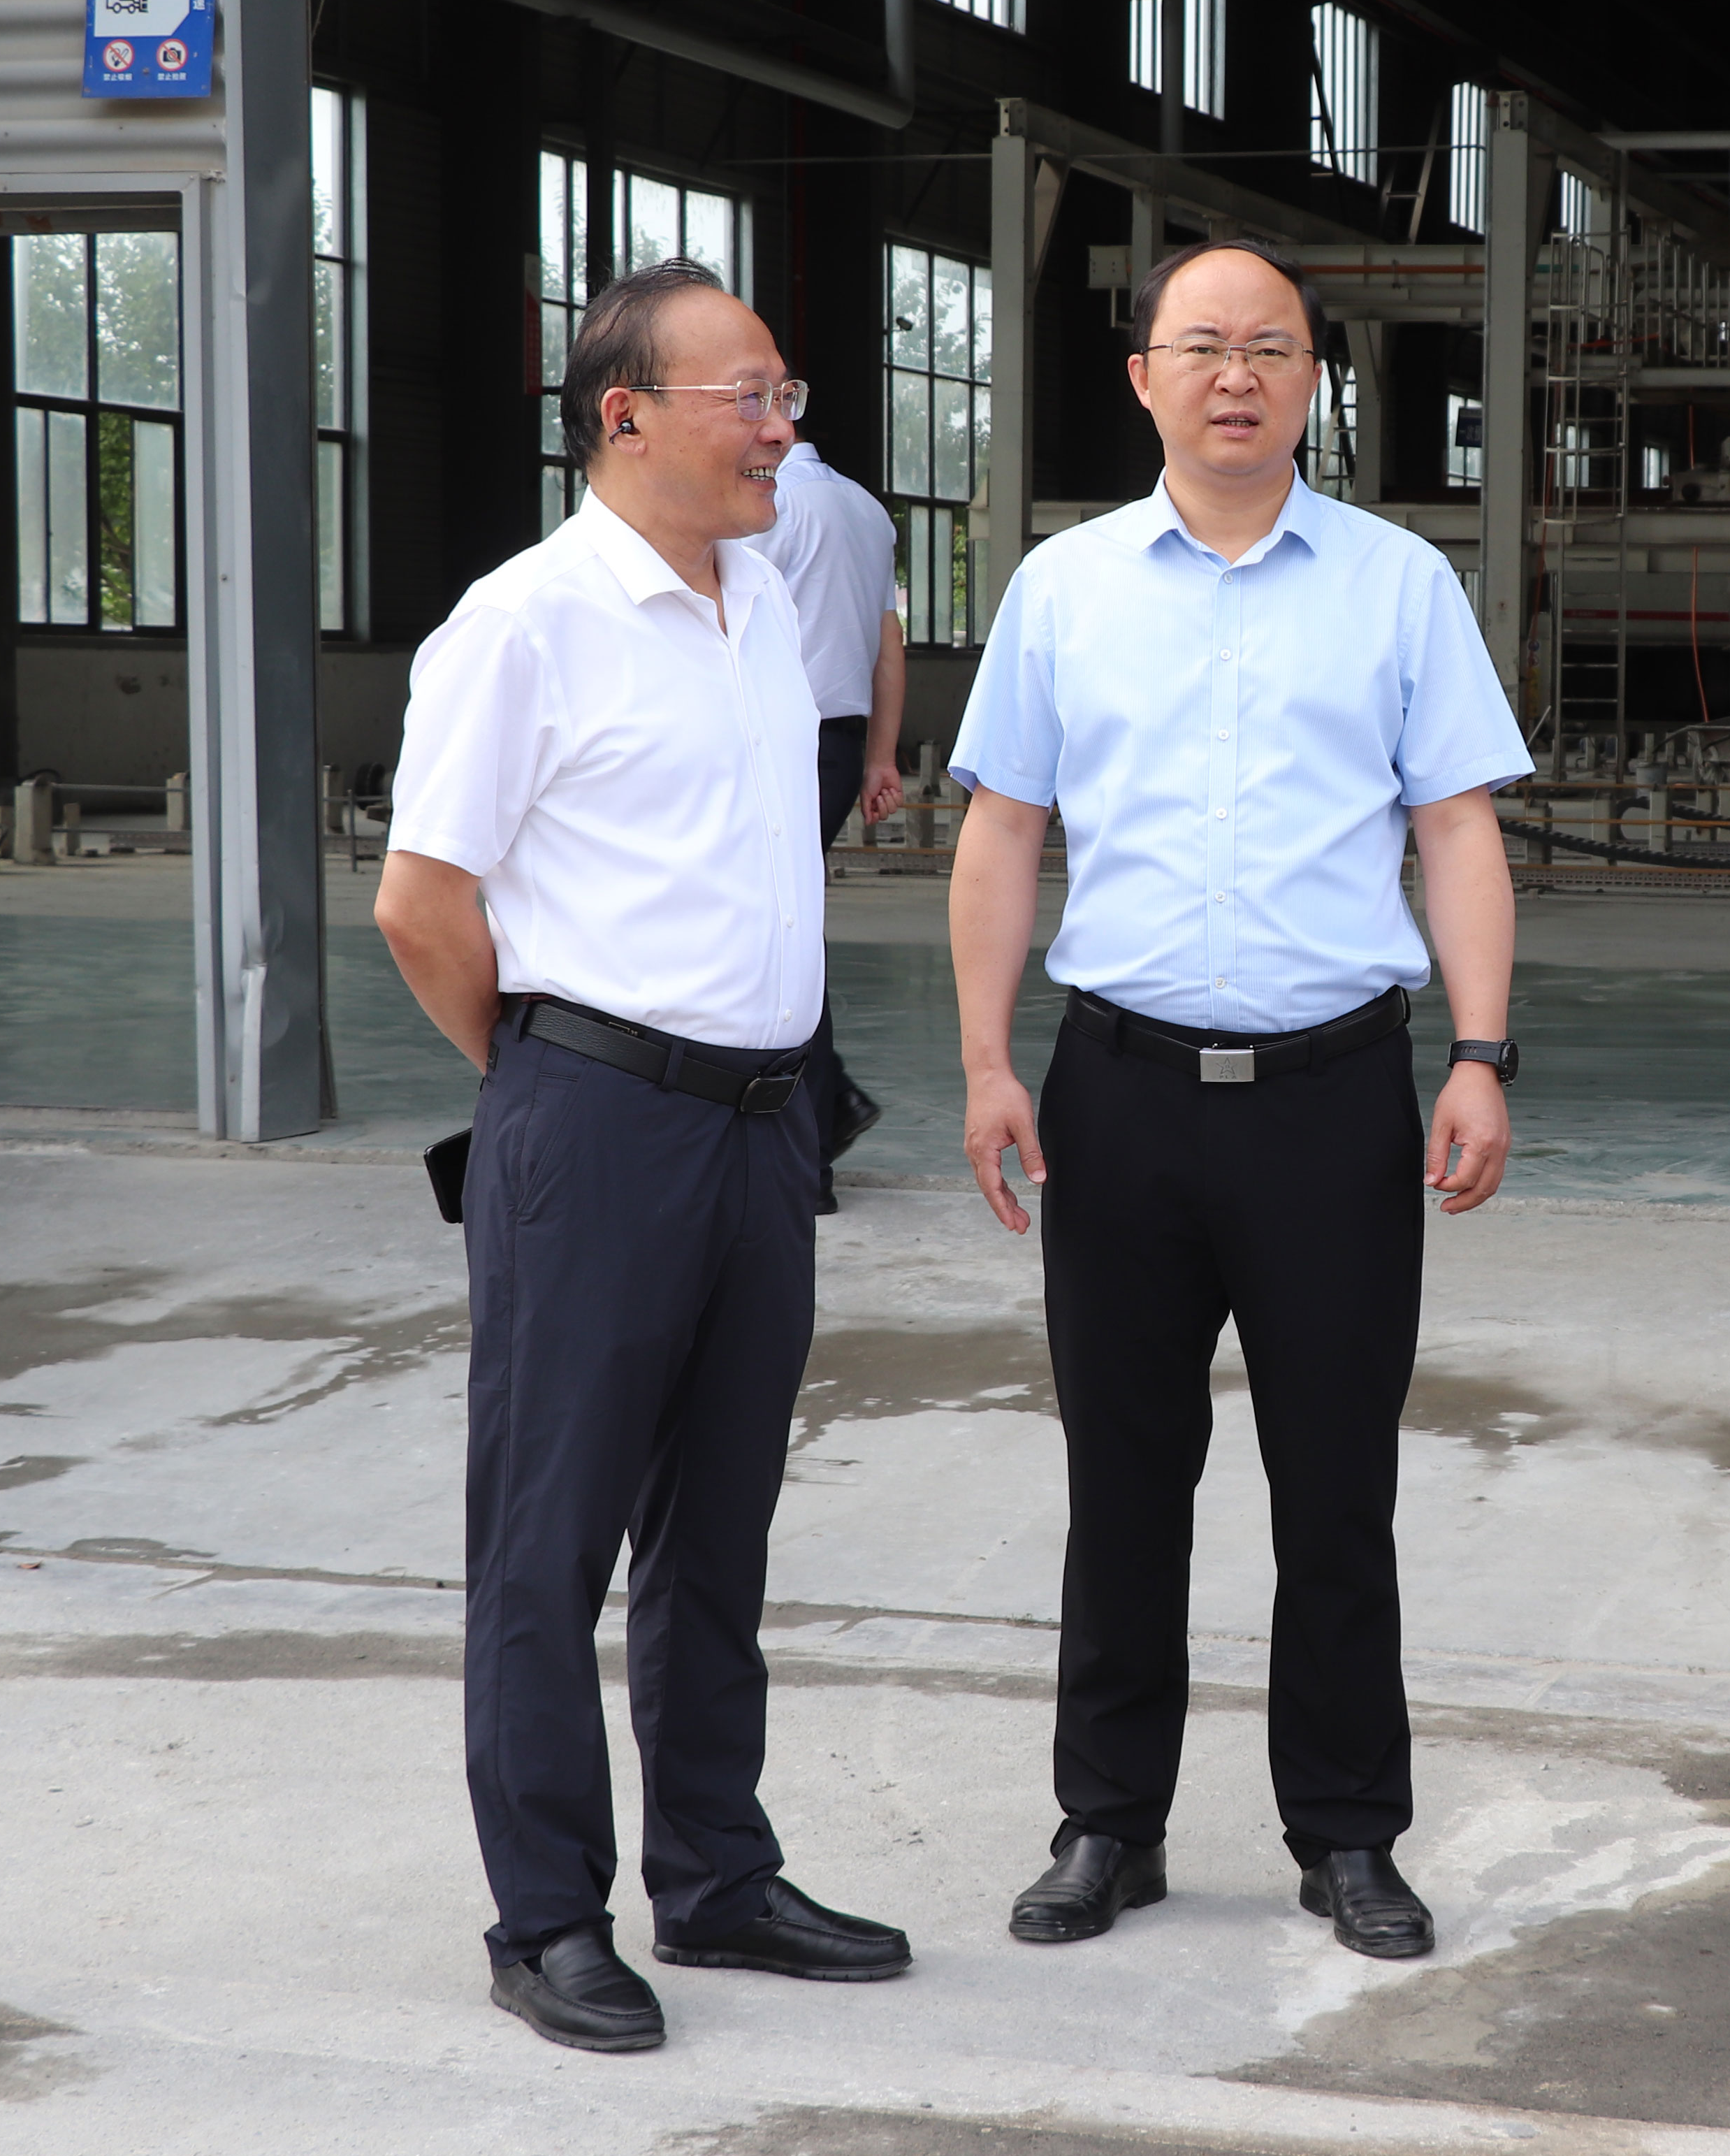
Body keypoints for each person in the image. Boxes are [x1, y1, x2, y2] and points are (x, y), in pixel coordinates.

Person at [946, 237, 1532, 1962]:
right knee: (1124, 1476)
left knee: (1335, 1483)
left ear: (1311, 380)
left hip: (1330, 1098)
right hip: (1117, 1094)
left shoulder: (1397, 584)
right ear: (1141, 376)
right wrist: (984, 1060)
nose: (1235, 374)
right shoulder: (1066, 587)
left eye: (1270, 345)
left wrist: (1481, 1052)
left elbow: (1456, 826)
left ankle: (1348, 1831)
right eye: (1199, 343)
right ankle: (1107, 1821)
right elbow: (1002, 828)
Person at [374, 256, 913, 2057]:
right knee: (551, 1534)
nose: (782, 432)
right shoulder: (524, 622)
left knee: (718, 1522)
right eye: (748, 397)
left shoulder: (760, 602)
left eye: (787, 396)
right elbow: (421, 901)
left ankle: (717, 1871)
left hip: (766, 1122)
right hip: (599, 1121)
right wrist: (552, 1080)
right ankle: (546, 1914)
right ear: (624, 415)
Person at [759, 432, 906, 1211]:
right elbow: (888, 644)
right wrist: (881, 757)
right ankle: (826, 1109)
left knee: (772, 931)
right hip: (840, 745)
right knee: (785, 926)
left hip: (779, 740)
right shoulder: (867, 512)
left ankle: (814, 1137)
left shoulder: (766, 501)